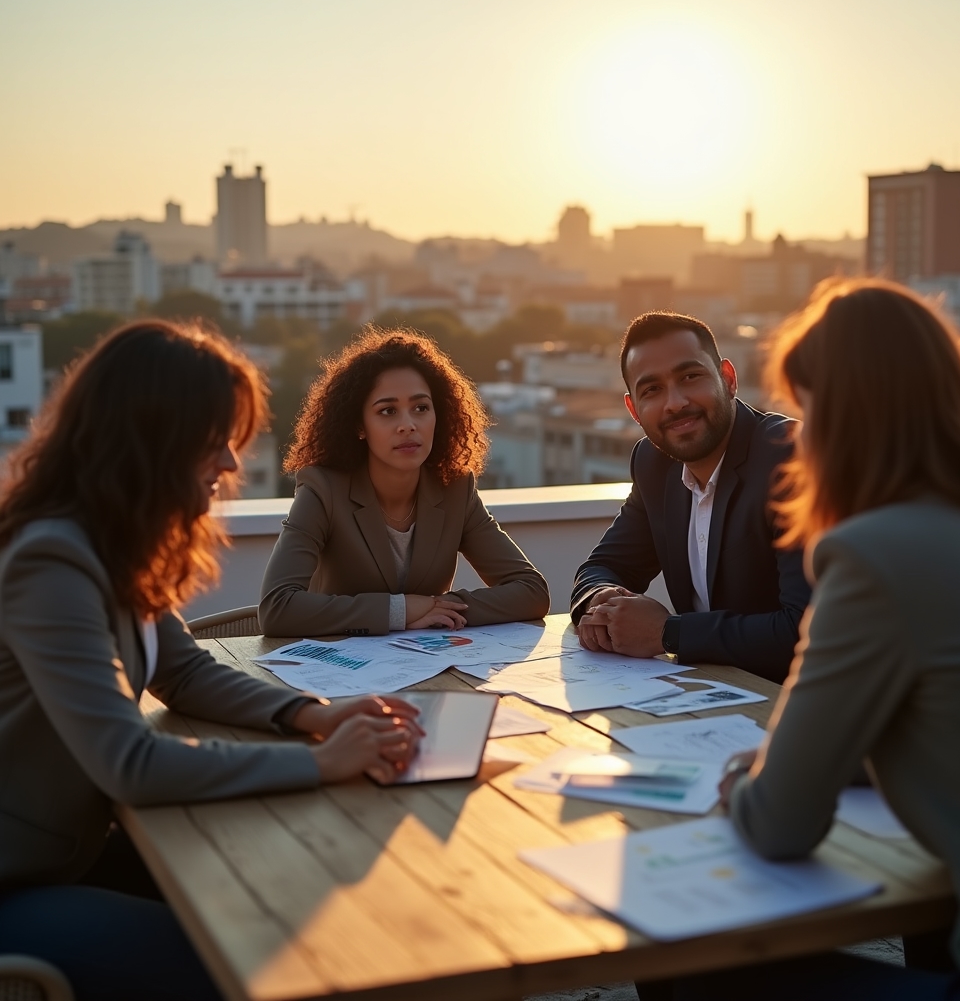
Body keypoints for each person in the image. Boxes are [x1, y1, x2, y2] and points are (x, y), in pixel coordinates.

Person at [0, 321, 423, 1001]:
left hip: (69, 851)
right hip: (19, 880)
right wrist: (321, 762)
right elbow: (130, 765)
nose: (230, 463)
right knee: (250, 957)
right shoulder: (52, 559)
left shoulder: (111, 541)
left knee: (280, 895)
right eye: (214, 437)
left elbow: (184, 671)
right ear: (149, 435)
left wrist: (315, 715)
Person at [684, 279, 960, 1000]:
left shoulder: (874, 554)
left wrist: (752, 779)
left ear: (845, 419)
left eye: (807, 413)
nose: (798, 437)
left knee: (687, 959)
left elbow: (779, 824)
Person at [259, 327, 549, 637]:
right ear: (359, 425)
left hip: (429, 671)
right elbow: (278, 608)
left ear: (440, 415)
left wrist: (440, 608)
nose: (408, 425)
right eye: (387, 411)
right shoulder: (323, 489)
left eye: (421, 408)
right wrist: (402, 610)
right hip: (339, 674)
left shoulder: (454, 489)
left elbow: (531, 591)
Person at [571, 311, 811, 680]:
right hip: (706, 692)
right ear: (634, 410)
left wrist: (667, 633)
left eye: (690, 376)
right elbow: (603, 567)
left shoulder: (791, 458)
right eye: (652, 389)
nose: (675, 402)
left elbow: (806, 629)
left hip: (792, 704)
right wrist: (600, 600)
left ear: (728, 379)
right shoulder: (654, 462)